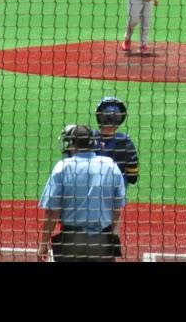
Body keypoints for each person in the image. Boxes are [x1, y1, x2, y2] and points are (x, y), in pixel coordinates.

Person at [37, 124, 126, 262]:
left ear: (73, 145)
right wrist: (108, 234)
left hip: (72, 243)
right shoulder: (110, 166)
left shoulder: (63, 167)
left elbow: (51, 213)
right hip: (102, 242)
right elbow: (117, 210)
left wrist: (43, 246)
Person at [92, 96, 139, 186]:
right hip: (116, 196)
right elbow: (132, 178)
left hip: (90, 195)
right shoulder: (125, 143)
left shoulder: (89, 139)